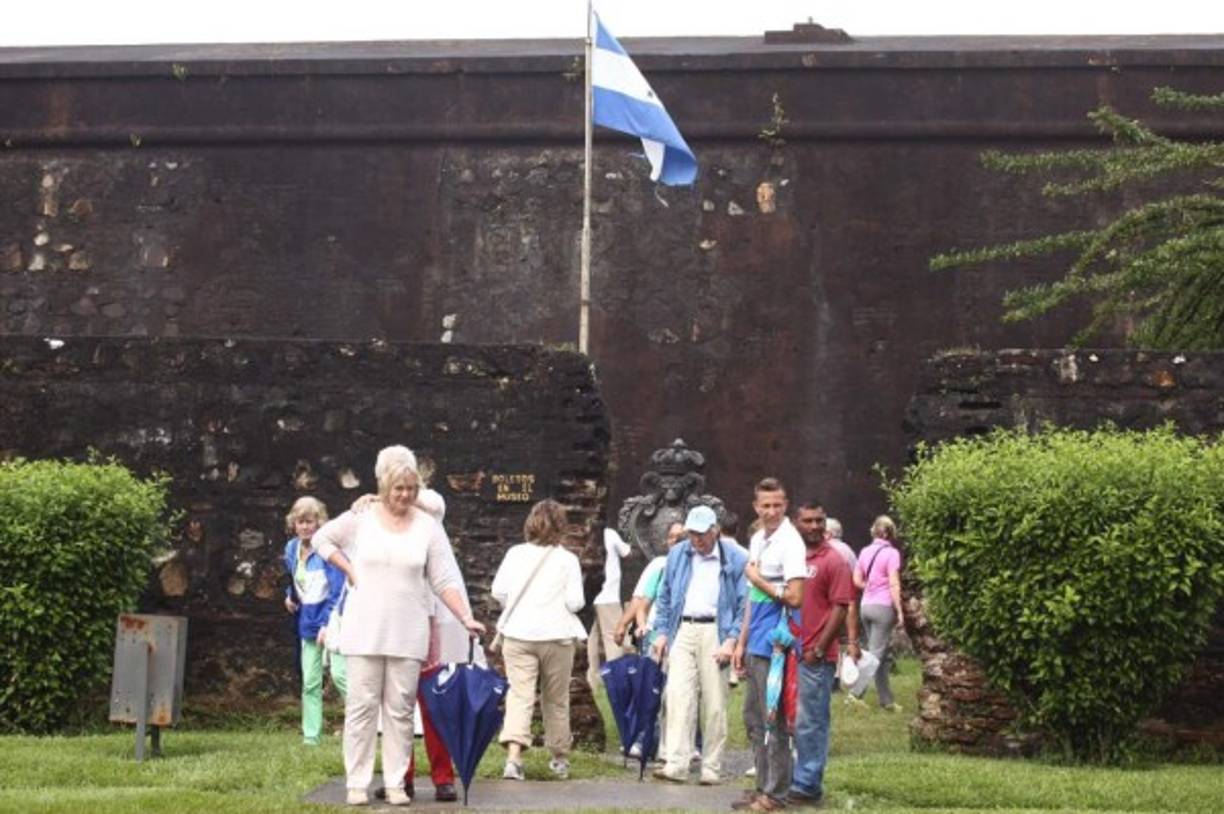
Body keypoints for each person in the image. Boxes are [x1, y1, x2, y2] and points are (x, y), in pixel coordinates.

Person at [313, 445, 484, 808]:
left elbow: (443, 578)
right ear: (384, 487)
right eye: (398, 489)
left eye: (411, 489)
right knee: (361, 709)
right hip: (365, 628)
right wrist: (349, 568)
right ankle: (356, 782)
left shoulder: (427, 525)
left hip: (408, 631)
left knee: (401, 710)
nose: (405, 495)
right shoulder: (361, 516)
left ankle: (395, 784)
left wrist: (464, 616)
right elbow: (321, 539)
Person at [650, 505, 748, 786]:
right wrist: (661, 632)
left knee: (715, 702)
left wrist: (731, 640)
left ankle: (711, 766)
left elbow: (743, 605)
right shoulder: (678, 554)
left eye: (702, 534)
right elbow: (666, 594)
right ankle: (676, 763)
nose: (697, 540)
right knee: (678, 696)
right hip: (684, 628)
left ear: (715, 530)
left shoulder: (736, 558)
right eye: (693, 534)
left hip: (716, 630)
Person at [492, 499, 587, 782]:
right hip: (557, 636)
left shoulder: (514, 554)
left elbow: (499, 592)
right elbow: (576, 602)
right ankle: (559, 758)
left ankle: (513, 759)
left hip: (518, 634)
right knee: (556, 699)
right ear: (561, 526)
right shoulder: (568, 560)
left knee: (520, 695)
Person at [732, 478, 806, 812]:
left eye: (777, 505)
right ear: (756, 507)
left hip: (777, 641)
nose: (772, 511)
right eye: (766, 505)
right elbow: (752, 597)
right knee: (753, 717)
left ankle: (776, 794)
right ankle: (762, 785)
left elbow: (795, 596)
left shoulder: (791, 542)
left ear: (786, 505)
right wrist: (740, 641)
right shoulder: (759, 538)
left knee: (773, 719)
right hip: (757, 639)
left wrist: (760, 579)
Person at [787, 500, 855, 808]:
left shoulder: (834, 560)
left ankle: (807, 784)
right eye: (808, 521)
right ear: (796, 523)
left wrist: (818, 647)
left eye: (819, 521)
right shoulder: (792, 555)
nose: (815, 527)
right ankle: (788, 777)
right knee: (786, 719)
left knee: (811, 720)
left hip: (815, 655)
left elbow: (841, 606)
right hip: (788, 650)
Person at [282, 496, 348, 746]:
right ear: (294, 523)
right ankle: (311, 736)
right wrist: (289, 596)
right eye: (301, 522)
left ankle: (364, 725)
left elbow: (338, 588)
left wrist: (328, 624)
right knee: (310, 681)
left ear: (320, 523)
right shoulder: (291, 549)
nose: (306, 527)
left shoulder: (327, 550)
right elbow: (294, 580)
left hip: (332, 621)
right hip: (306, 622)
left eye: (310, 522)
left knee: (342, 676)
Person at [848, 515, 905, 712]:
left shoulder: (864, 552)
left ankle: (886, 701)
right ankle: (856, 693)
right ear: (890, 532)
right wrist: (899, 610)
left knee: (878, 653)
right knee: (875, 655)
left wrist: (869, 587)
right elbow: (894, 582)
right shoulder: (892, 553)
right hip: (883, 607)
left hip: (866, 606)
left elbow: (856, 580)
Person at [587, 527, 634, 688]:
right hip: (608, 595)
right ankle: (617, 677)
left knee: (592, 638)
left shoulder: (584, 536)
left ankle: (594, 678)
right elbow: (628, 553)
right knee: (614, 638)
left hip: (589, 597)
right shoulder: (609, 533)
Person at [821, 517, 862, 689]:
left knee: (829, 637)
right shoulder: (849, 551)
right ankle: (840, 675)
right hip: (848, 600)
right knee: (842, 639)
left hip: (829, 599)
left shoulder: (827, 550)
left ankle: (831, 676)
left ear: (828, 534)